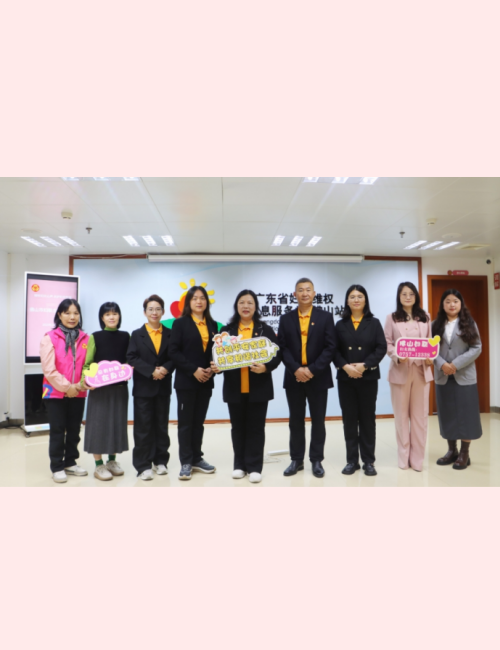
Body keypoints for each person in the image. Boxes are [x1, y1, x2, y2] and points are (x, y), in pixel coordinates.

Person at [210, 289, 282, 483]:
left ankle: (255, 467)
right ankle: (239, 465)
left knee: (256, 428)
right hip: (235, 388)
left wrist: (266, 367)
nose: (246, 306)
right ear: (236, 306)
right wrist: (217, 367)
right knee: (238, 428)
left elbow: (277, 355)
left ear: (255, 306)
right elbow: (218, 357)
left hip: (259, 388)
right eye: (242, 302)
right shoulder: (227, 331)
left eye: (250, 302)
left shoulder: (264, 330)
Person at [278, 277, 337, 478]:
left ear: (314, 293)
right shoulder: (286, 319)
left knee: (318, 420)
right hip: (294, 377)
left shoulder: (325, 317)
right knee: (295, 420)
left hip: (318, 377)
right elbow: (282, 348)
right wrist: (296, 369)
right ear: (294, 294)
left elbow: (330, 347)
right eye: (301, 290)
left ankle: (316, 460)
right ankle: (296, 460)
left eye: (308, 290)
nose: (304, 293)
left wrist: (312, 370)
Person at [334, 285, 387, 476]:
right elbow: (333, 350)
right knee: (349, 419)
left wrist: (365, 365)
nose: (356, 300)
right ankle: (351, 461)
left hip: (368, 377)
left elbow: (381, 348)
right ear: (347, 301)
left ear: (365, 300)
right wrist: (346, 367)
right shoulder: (340, 324)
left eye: (360, 296)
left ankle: (368, 461)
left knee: (367, 419)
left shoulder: (374, 323)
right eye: (352, 297)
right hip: (346, 378)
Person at [169, 285, 219, 480]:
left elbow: (216, 353)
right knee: (186, 424)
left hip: (206, 381)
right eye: (195, 298)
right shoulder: (180, 323)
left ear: (207, 302)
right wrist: (193, 370)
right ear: (188, 302)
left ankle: (197, 458)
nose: (199, 301)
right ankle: (186, 462)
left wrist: (212, 369)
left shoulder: (212, 325)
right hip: (186, 381)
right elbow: (174, 351)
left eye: (202, 298)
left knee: (198, 423)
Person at [384, 282, 434, 471]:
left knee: (420, 418)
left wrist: (431, 357)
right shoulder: (392, 317)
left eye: (411, 294)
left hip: (421, 371)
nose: (407, 297)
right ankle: (403, 458)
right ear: (399, 296)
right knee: (401, 417)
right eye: (404, 294)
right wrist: (397, 356)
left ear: (416, 296)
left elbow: (430, 342)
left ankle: (418, 460)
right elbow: (387, 343)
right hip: (400, 371)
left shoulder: (425, 317)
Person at [40, 299, 89, 483]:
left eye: (75, 313)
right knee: (58, 430)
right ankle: (57, 466)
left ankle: (70, 462)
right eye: (67, 313)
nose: (72, 317)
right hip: (55, 392)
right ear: (59, 315)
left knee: (75, 429)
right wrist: (68, 387)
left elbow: (88, 366)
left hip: (78, 391)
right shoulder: (49, 337)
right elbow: (49, 370)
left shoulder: (86, 338)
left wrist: (79, 386)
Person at [432, 289, 482, 469]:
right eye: (447, 301)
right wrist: (442, 364)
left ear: (461, 304)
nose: (451, 304)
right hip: (443, 375)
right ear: (442, 304)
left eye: (455, 301)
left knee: (466, 415)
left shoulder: (469, 323)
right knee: (447, 414)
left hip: (464, 376)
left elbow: (476, 348)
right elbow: (429, 349)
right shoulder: (435, 325)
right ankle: (451, 451)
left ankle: (464, 453)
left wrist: (455, 364)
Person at [126, 294, 174, 480]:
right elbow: (131, 357)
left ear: (163, 311)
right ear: (145, 312)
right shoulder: (137, 334)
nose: (154, 312)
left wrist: (165, 368)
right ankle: (143, 465)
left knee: (161, 425)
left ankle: (160, 461)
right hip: (143, 388)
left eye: (158, 309)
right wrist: (151, 371)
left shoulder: (170, 333)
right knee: (143, 427)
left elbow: (175, 355)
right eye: (151, 309)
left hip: (163, 386)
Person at [81, 302, 130, 481]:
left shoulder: (126, 336)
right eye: (107, 314)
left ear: (119, 316)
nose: (111, 317)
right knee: (98, 426)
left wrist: (129, 369)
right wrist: (86, 380)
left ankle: (112, 461)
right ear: (102, 318)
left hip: (119, 389)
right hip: (99, 390)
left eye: (114, 313)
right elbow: (88, 364)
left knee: (116, 424)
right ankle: (98, 465)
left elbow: (129, 361)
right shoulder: (95, 337)